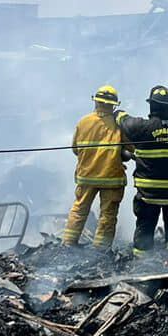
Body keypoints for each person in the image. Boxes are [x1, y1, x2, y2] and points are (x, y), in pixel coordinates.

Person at [118, 85, 168, 256]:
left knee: (146, 225)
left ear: (152, 105)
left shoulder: (142, 128)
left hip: (149, 195)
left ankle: (142, 262)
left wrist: (119, 113)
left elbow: (125, 122)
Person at [61, 85, 127, 248]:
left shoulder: (83, 122)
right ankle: (101, 250)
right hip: (111, 178)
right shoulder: (119, 125)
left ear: (96, 102)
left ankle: (68, 243)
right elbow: (132, 149)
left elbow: (76, 149)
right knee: (108, 215)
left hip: (86, 176)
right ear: (113, 105)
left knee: (78, 210)